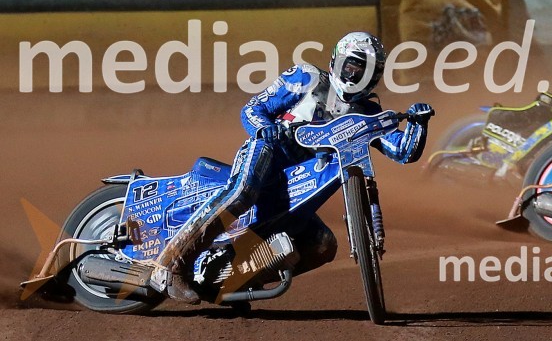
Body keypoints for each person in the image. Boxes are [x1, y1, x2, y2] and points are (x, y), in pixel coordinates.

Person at [151, 32, 434, 302]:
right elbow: (252, 109)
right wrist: (267, 129)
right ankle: (172, 265)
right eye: (353, 66)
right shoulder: (307, 77)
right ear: (337, 60)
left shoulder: (368, 112)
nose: (356, 76)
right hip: (271, 151)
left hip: (302, 182)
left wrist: (419, 123)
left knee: (323, 244)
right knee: (244, 192)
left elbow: (402, 151)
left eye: (367, 71)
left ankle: (232, 281)